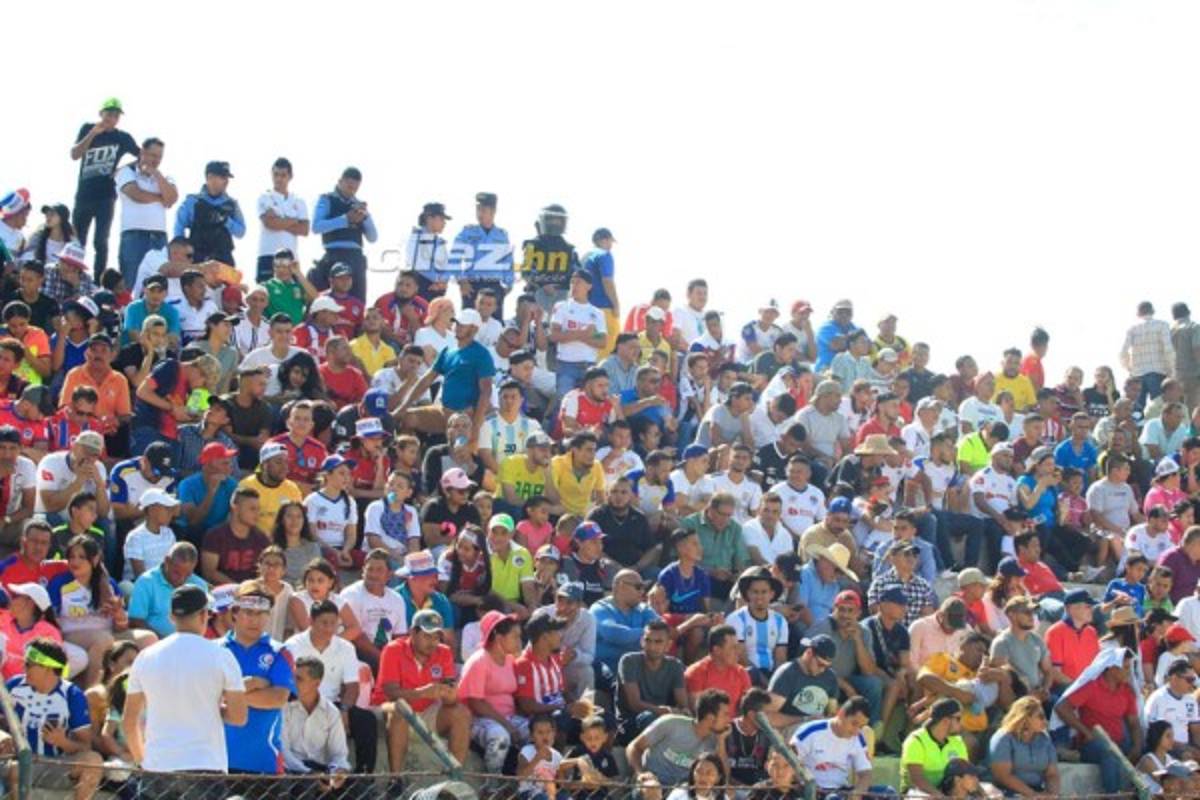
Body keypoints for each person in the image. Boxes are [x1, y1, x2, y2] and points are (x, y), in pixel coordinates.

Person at [123, 585, 247, 780]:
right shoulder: (222, 656)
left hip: (158, 767)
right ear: (204, 615)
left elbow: (130, 723)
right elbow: (239, 717)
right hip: (206, 766)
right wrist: (214, 708)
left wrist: (142, 761)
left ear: (171, 617)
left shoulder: (145, 657)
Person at [217, 584, 296, 783]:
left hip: (264, 763)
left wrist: (230, 694)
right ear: (234, 613)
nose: (255, 619)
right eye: (249, 612)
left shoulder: (280, 652)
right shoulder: (213, 650)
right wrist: (253, 683)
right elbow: (206, 697)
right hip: (216, 761)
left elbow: (278, 698)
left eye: (262, 613)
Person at [7, 638, 102, 799]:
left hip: (57, 764)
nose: (24, 668)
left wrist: (62, 742)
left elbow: (85, 745)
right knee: (17, 769)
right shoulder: (14, 686)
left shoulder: (72, 695)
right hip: (21, 763)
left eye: (29, 664)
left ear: (48, 668)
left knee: (94, 760)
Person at [1053, 647, 1142, 794]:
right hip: (1092, 744)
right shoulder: (1091, 687)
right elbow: (1062, 707)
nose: (1129, 671)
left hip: (1119, 742)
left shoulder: (1126, 691)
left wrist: (1137, 748)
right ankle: (1113, 796)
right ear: (1111, 668)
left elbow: (1134, 723)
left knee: (1141, 756)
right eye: (1125, 667)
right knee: (1109, 754)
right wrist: (1086, 732)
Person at [70, 97, 139, 278]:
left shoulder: (122, 137)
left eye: (116, 115)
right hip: (84, 195)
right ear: (101, 114)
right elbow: (74, 154)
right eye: (109, 114)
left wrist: (121, 169)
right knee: (78, 240)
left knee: (100, 241)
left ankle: (97, 279)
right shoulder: (87, 128)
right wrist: (93, 134)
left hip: (106, 196)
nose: (112, 118)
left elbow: (143, 156)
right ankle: (75, 276)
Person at [628, 688, 731, 790]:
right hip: (652, 785)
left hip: (682, 793)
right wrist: (640, 773)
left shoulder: (715, 740)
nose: (729, 719)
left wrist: (721, 741)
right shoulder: (671, 723)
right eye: (725, 714)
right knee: (652, 790)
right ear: (710, 717)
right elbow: (634, 747)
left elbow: (724, 778)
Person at [115, 136, 178, 287]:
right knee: (132, 281)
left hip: (159, 238)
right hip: (134, 236)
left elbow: (171, 198)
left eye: (159, 157)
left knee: (160, 283)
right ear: (142, 152)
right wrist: (159, 198)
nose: (156, 160)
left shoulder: (165, 177)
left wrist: (156, 174)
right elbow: (135, 194)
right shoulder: (126, 171)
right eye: (153, 155)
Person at [280, 656, 351, 787]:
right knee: (304, 785)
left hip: (322, 770)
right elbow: (283, 752)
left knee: (355, 787)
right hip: (293, 770)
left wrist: (338, 772)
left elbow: (339, 753)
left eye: (299, 679)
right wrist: (309, 774)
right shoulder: (284, 707)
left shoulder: (331, 711)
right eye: (293, 677)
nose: (292, 682)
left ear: (317, 683)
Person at [616, 619, 688, 743]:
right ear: (641, 641)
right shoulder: (629, 661)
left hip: (664, 720)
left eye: (658, 642)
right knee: (649, 718)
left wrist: (682, 712)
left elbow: (683, 704)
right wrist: (663, 711)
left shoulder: (675, 665)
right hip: (632, 723)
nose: (652, 646)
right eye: (648, 640)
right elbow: (635, 704)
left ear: (668, 645)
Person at [311, 167, 377, 300]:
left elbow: (373, 237)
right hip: (333, 255)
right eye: (348, 186)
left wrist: (365, 217)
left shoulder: (358, 205)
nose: (351, 190)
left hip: (355, 258)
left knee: (357, 302)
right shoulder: (327, 199)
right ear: (340, 182)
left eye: (355, 188)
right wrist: (345, 220)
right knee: (327, 302)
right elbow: (316, 227)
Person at [789, 696, 873, 795]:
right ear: (841, 714)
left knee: (888, 792)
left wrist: (857, 794)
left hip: (842, 791)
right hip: (811, 790)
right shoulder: (810, 731)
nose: (856, 731)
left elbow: (866, 773)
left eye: (861, 727)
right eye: (854, 724)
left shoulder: (858, 738)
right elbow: (789, 764)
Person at [173, 161, 244, 265]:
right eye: (223, 177)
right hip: (197, 260)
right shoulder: (192, 202)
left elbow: (241, 232)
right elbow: (179, 230)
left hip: (224, 260)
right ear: (210, 177)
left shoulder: (232, 203)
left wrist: (225, 220)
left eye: (227, 178)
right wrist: (183, 256)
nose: (226, 181)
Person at [988, 695, 1059, 797]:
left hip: (1037, 791)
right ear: (1025, 717)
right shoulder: (1003, 738)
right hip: (1007, 792)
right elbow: (1003, 776)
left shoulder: (1045, 739)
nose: (1045, 721)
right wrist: (1033, 795)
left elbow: (1052, 774)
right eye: (1041, 717)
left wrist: (1052, 795)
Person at [254, 157, 309, 282]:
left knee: (292, 298)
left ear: (290, 176)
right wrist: (294, 220)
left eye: (283, 175)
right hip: (268, 254)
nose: (279, 179)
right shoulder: (264, 197)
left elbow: (304, 230)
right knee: (264, 297)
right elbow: (269, 224)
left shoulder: (299, 201)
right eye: (276, 175)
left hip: (291, 258)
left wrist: (280, 221)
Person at [201, 486, 271, 584]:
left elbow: (266, 571)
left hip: (252, 592)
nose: (257, 513)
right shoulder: (215, 536)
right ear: (235, 508)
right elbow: (209, 573)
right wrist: (237, 588)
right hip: (221, 593)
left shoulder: (261, 538)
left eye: (258, 509)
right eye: (252, 509)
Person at [1122, 301, 1176, 413]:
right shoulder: (1162, 325)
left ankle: (1138, 430)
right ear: (1153, 311)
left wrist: (1129, 368)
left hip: (1137, 374)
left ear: (1138, 313)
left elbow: (1123, 352)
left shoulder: (1132, 328)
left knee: (1136, 410)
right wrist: (1172, 370)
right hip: (1158, 372)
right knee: (1159, 409)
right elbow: (1168, 349)